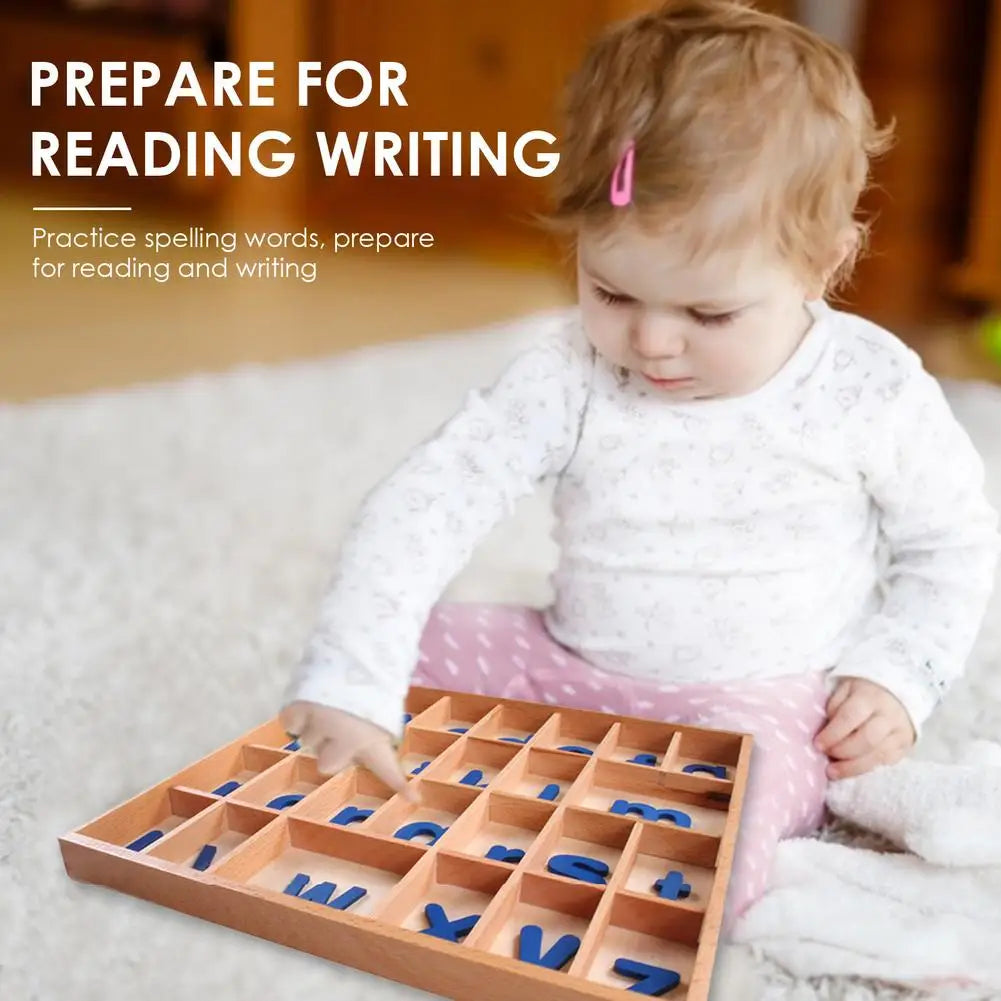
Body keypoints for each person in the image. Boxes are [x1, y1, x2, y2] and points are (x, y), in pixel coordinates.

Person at [279, 0, 1000, 928]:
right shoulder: (570, 372)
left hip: (763, 699)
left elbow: (952, 542)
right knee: (396, 653)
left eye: (707, 314)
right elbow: (431, 498)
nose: (651, 342)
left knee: (738, 824)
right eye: (611, 289)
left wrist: (897, 673)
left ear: (822, 264)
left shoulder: (867, 387)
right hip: (569, 664)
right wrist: (355, 676)